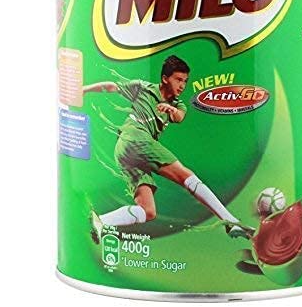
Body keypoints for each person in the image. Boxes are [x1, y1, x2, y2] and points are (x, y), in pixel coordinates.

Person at [83, 55, 249, 240]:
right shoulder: (143, 88)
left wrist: (171, 110)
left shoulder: (178, 104)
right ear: (164, 78)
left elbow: (179, 116)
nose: (182, 85)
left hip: (124, 151)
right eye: (178, 79)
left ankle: (100, 221)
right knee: (185, 175)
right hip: (135, 137)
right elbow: (111, 86)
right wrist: (83, 90)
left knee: (147, 211)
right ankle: (230, 221)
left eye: (185, 81)